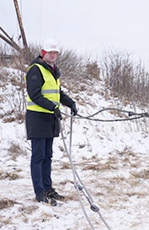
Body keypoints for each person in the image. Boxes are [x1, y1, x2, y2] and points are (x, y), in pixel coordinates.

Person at [25, 38, 78, 206]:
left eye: (55, 53)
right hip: (37, 118)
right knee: (38, 156)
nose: (53, 55)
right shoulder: (36, 70)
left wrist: (71, 103)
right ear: (43, 53)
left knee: (48, 156)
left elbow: (58, 93)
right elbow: (35, 94)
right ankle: (39, 191)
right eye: (50, 52)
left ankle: (48, 188)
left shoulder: (53, 71)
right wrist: (52, 107)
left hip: (50, 119)